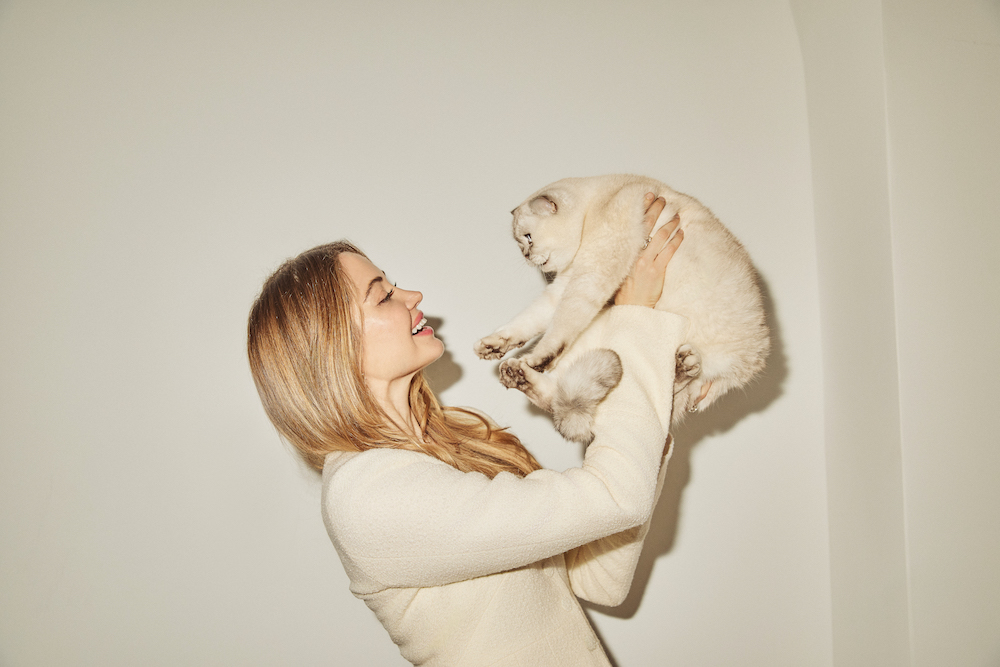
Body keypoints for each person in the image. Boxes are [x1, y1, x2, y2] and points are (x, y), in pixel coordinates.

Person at [247, 195, 686, 666]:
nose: (412, 295)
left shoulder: (450, 443)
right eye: (383, 294)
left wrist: (654, 402)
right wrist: (632, 319)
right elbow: (617, 497)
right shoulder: (366, 495)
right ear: (334, 344)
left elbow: (598, 579)